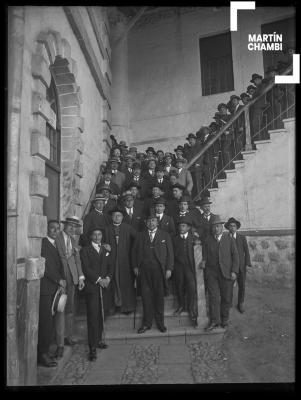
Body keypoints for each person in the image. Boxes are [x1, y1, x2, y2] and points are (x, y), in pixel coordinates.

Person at [133, 212, 174, 333]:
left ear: (157, 222)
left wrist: (169, 269)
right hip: (144, 271)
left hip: (159, 271)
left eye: (153, 221)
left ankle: (160, 323)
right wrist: (135, 266)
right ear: (146, 223)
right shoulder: (140, 236)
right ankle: (146, 324)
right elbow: (134, 252)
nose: (151, 223)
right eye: (149, 221)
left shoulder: (165, 235)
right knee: (146, 297)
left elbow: (170, 254)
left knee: (159, 297)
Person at [80, 227, 114, 361]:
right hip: (93, 288)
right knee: (93, 317)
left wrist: (108, 279)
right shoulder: (85, 251)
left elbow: (111, 266)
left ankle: (99, 340)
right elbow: (86, 268)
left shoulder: (106, 250)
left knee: (101, 314)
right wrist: (99, 280)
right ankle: (92, 348)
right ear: (90, 237)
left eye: (99, 234)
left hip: (105, 287)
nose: (97, 237)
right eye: (94, 234)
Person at [202, 215, 239, 330]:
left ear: (222, 227)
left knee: (226, 298)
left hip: (226, 273)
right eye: (214, 227)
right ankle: (214, 321)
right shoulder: (208, 240)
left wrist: (234, 271)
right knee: (213, 297)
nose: (216, 229)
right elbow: (204, 255)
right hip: (212, 273)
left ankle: (224, 319)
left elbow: (235, 256)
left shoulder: (229, 239)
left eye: (218, 226)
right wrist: (203, 261)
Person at [55, 216, 85, 356]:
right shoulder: (57, 238)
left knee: (70, 309)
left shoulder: (73, 241)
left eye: (74, 226)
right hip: (60, 279)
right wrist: (58, 279)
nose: (72, 228)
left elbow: (77, 261)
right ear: (64, 226)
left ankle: (68, 336)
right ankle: (59, 342)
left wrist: (80, 277)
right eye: (70, 225)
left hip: (72, 279)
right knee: (59, 309)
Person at [38, 220, 65, 367]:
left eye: (57, 229)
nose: (55, 231)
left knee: (50, 322)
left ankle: (46, 351)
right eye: (52, 228)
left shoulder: (56, 245)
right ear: (46, 229)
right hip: (45, 289)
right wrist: (58, 279)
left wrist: (62, 281)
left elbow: (60, 265)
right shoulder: (43, 243)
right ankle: (42, 355)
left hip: (55, 288)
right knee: (45, 322)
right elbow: (44, 266)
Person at [104, 206, 137, 315]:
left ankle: (126, 307)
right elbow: (101, 243)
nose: (117, 217)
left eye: (119, 215)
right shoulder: (107, 229)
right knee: (113, 282)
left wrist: (131, 250)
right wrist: (105, 246)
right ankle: (113, 306)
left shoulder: (128, 228)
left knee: (125, 282)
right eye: (114, 216)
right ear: (111, 217)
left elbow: (137, 240)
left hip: (125, 260)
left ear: (122, 217)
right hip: (111, 260)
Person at [172, 217, 198, 327]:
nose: (181, 228)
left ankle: (191, 308)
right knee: (179, 286)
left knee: (191, 287)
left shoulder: (194, 239)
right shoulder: (174, 239)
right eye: (179, 226)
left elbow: (200, 252)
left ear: (188, 227)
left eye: (183, 226)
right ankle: (181, 305)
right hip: (178, 267)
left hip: (190, 267)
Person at [224, 217, 251, 314]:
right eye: (230, 226)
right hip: (230, 267)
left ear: (237, 228)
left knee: (242, 285)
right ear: (228, 228)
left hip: (241, 266)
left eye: (234, 226)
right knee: (229, 286)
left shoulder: (242, 238)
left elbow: (246, 251)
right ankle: (228, 303)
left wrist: (247, 263)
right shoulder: (225, 238)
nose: (232, 228)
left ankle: (241, 303)